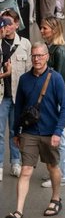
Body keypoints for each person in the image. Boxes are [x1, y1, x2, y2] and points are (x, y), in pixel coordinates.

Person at [4, 42, 65, 218]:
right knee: (26, 170)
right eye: (34, 56)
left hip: (49, 133)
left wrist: (58, 131)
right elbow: (19, 108)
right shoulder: (24, 79)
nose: (36, 59)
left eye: (40, 55)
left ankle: (56, 199)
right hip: (30, 133)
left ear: (47, 56)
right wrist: (16, 132)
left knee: (52, 167)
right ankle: (18, 211)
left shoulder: (56, 79)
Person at [38, 16, 65, 188]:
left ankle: (62, 174)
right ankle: (57, 170)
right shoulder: (52, 50)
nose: (42, 31)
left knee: (60, 136)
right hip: (51, 98)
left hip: (55, 98)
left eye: (45, 28)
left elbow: (60, 80)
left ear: (54, 30)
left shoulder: (59, 52)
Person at [0, 10, 29, 181]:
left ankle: (16, 161)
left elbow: (30, 70)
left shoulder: (25, 44)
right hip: (2, 96)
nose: (7, 26)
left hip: (18, 96)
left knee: (15, 130)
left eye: (10, 23)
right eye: (3, 22)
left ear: (17, 24)